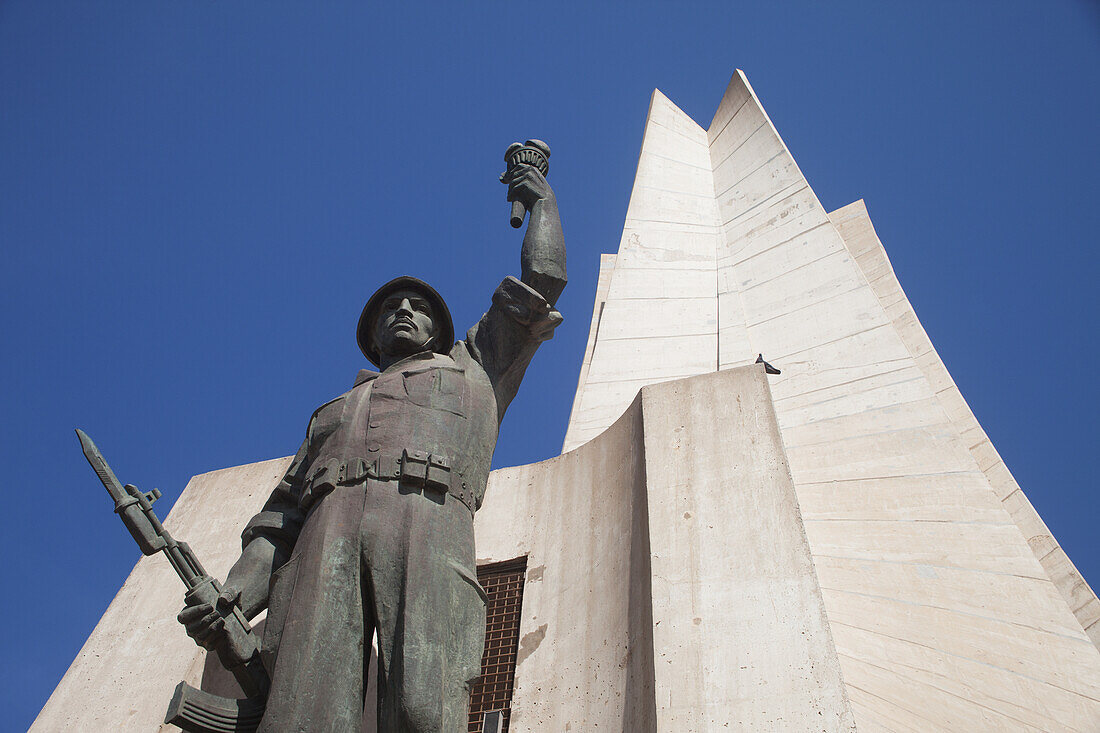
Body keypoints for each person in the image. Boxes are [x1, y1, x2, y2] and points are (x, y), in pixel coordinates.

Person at [178, 163, 565, 732]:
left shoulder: (475, 367)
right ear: (372, 334)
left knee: (425, 708)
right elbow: (279, 521)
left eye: (418, 306)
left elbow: (543, 281)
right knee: (300, 714)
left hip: (428, 524)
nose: (403, 311)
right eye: (390, 308)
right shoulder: (332, 413)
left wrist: (542, 204)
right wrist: (235, 595)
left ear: (438, 327)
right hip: (324, 535)